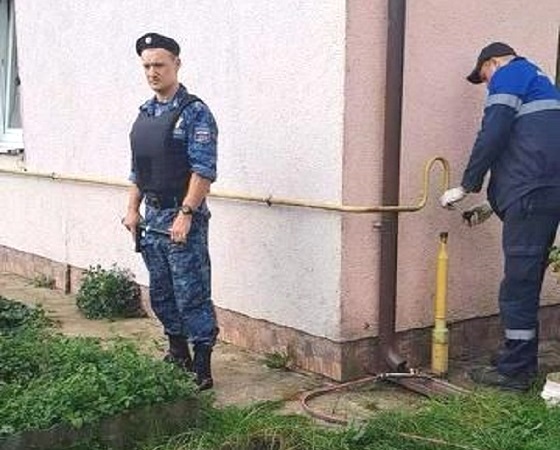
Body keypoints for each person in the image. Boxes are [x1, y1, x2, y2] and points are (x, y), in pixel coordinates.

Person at [440, 42, 560, 392]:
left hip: (530, 197)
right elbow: (531, 152)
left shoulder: (509, 76)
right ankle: (517, 356)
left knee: (518, 285)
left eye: (484, 76)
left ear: (493, 62)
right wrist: (493, 204)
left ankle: (515, 373)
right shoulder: (541, 81)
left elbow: (493, 132)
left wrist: (467, 185)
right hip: (544, 196)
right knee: (527, 279)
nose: (487, 84)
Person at [122, 32, 219, 390]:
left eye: (159, 65)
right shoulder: (145, 113)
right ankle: (178, 354)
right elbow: (139, 170)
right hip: (152, 221)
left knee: (191, 293)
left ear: (176, 64)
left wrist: (187, 213)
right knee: (162, 293)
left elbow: (203, 170)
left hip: (182, 219)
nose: (152, 72)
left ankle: (202, 367)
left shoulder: (194, 112)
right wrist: (132, 210)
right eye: (147, 66)